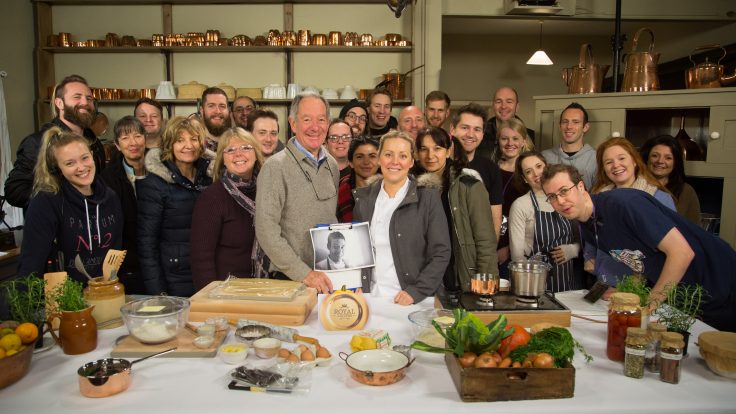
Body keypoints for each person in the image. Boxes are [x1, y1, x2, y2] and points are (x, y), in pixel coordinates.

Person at [541, 164, 736, 332]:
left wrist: (649, 305)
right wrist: (629, 290)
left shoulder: (625, 204)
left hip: (721, 281)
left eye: (564, 191)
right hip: (684, 296)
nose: (560, 201)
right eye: (552, 197)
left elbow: (682, 253)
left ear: (580, 186)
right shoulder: (586, 225)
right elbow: (638, 258)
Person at [352, 131, 451, 305]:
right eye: (388, 154)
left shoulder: (428, 198)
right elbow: (357, 252)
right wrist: (356, 284)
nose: (395, 162)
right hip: (370, 298)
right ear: (379, 158)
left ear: (412, 161)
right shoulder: (364, 199)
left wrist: (416, 291)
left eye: (403, 156)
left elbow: (441, 253)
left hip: (412, 299)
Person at [255, 92, 339, 294]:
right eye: (307, 119)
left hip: (327, 276)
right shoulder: (275, 167)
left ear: (328, 124)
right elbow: (266, 232)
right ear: (293, 124)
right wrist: (304, 273)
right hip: (292, 279)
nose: (315, 127)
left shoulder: (332, 165)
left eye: (321, 120)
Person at [17, 127, 122, 284]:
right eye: (70, 163)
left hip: (103, 290)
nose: (81, 167)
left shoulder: (111, 198)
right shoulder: (45, 203)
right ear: (57, 168)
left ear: (92, 156)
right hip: (63, 295)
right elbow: (31, 263)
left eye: (85, 158)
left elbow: (115, 253)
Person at [414, 127, 498, 294]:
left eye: (437, 148)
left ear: (448, 151)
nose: (430, 155)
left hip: (459, 279)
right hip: (423, 279)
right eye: (424, 149)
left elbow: (485, 241)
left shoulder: (469, 186)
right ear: (417, 154)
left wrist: (485, 285)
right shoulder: (411, 187)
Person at [5, 74, 106, 210]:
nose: (85, 102)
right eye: (77, 97)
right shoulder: (37, 143)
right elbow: (15, 191)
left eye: (89, 98)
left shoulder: (95, 143)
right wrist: (61, 202)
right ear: (59, 103)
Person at [137, 117, 212, 296]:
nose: (189, 146)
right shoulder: (154, 184)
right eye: (180, 140)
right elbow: (147, 243)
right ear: (170, 144)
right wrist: (157, 291)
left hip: (206, 271)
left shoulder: (209, 178)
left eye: (194, 139)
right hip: (174, 275)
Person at [190, 128, 266, 291]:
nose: (238, 154)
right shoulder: (212, 198)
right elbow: (201, 259)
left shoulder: (267, 192)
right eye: (230, 150)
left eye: (245, 148)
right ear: (222, 159)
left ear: (256, 154)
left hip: (266, 288)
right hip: (227, 293)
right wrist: (209, 297)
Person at [509, 151, 581, 292]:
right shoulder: (521, 205)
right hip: (535, 282)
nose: (536, 174)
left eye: (539, 166)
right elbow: (517, 257)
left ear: (547, 167)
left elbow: (584, 238)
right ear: (524, 179)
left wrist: (573, 250)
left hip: (568, 277)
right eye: (529, 171)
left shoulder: (565, 199)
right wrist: (529, 287)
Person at [100, 116, 147, 294]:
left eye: (137, 136)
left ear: (145, 138)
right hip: (128, 260)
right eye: (125, 138)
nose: (133, 143)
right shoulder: (107, 179)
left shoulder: (161, 170)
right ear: (117, 145)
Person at [450, 103, 503, 239]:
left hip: (477, 245)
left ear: (482, 134)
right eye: (465, 128)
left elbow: (495, 221)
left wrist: (491, 250)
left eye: (477, 129)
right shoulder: (439, 165)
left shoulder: (491, 169)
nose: (470, 134)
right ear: (452, 129)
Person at [493, 118, 534, 276]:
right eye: (505, 138)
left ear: (523, 141)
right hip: (492, 239)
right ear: (499, 141)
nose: (510, 143)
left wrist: (509, 248)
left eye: (515, 138)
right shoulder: (491, 168)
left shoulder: (529, 173)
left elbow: (533, 219)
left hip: (517, 246)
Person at [640, 135, 702, 225]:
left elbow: (695, 229)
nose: (660, 161)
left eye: (668, 158)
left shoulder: (686, 192)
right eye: (655, 156)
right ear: (646, 159)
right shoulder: (634, 187)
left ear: (675, 163)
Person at [541, 102, 597, 190]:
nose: (569, 126)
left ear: (585, 127)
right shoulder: (544, 157)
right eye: (565, 122)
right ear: (560, 126)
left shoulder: (596, 158)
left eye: (575, 122)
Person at [479, 86, 535, 160]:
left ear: (517, 107)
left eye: (509, 102)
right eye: (499, 102)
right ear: (493, 106)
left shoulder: (532, 137)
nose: (503, 106)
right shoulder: (479, 135)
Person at [337, 137, 380, 223]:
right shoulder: (340, 191)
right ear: (351, 163)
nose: (366, 162)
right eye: (360, 157)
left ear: (380, 161)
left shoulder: (389, 189)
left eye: (372, 156)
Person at [199, 87, 231, 152]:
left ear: (228, 111)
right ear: (202, 111)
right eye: (211, 106)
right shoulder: (195, 147)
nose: (218, 111)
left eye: (222, 106)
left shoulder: (239, 144)